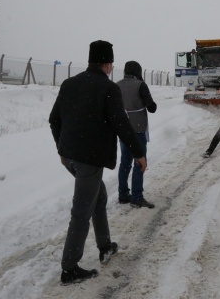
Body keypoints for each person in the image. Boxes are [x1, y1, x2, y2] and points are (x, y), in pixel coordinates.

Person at [49, 40, 147, 285]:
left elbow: (54, 120)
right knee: (81, 212)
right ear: (107, 63)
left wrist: (61, 149)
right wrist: (138, 153)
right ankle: (69, 269)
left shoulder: (70, 84)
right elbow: (121, 125)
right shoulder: (108, 88)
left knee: (99, 197)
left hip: (70, 157)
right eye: (111, 63)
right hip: (88, 160)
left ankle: (105, 246)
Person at [116, 61, 158, 209]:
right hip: (138, 129)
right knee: (140, 162)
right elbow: (151, 107)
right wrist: (151, 105)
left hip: (123, 129)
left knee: (125, 162)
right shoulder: (140, 85)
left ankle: (123, 195)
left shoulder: (117, 85)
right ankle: (137, 197)